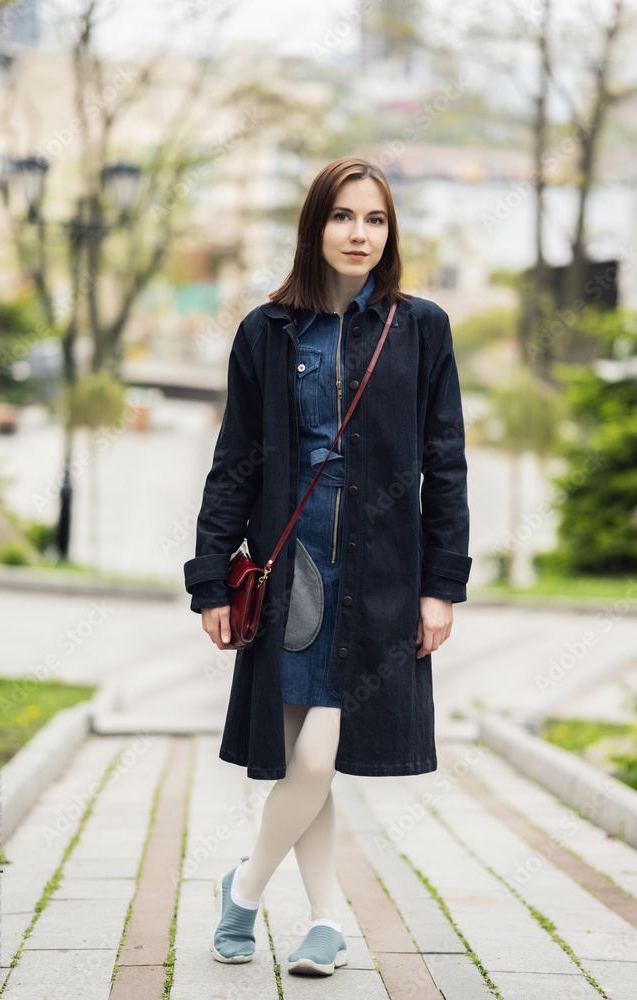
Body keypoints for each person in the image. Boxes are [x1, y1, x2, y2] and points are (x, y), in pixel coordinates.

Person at [183, 156, 472, 976]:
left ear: (391, 232)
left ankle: (239, 891)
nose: (359, 233)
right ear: (315, 227)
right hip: (290, 569)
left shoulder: (420, 328)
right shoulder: (265, 332)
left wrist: (439, 585)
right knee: (302, 755)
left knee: (314, 757)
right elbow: (236, 460)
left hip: (379, 573)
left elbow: (443, 462)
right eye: (343, 216)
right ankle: (325, 920)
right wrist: (210, 576)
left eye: (374, 219)